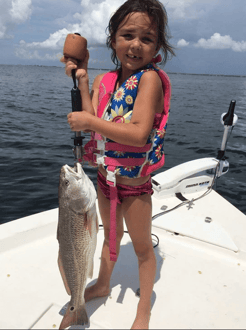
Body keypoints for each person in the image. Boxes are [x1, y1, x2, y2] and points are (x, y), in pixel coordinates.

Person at [61, 0, 175, 328]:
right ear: (113, 40)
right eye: (127, 35)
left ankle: (144, 311)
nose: (136, 45)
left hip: (134, 186)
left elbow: (139, 135)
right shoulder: (106, 82)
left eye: (147, 38)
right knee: (110, 238)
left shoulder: (149, 81)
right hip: (104, 179)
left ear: (157, 47)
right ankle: (102, 283)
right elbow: (93, 118)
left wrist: (89, 122)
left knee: (141, 249)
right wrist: (83, 79)